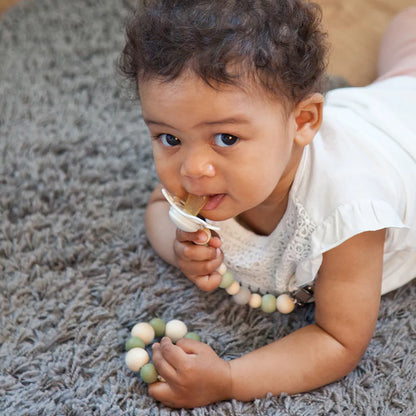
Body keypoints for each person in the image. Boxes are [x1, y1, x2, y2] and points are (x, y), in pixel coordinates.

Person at [119, 0, 416, 409]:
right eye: (169, 138)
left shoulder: (348, 212)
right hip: (374, 112)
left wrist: (230, 378)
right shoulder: (207, 175)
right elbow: (158, 204)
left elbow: (339, 339)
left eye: (225, 138)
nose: (192, 169)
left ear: (303, 121)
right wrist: (177, 245)